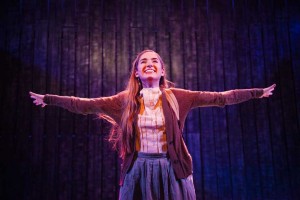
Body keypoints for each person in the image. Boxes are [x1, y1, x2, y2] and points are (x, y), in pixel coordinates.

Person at [30, 49, 276, 200]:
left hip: (173, 169)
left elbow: (221, 98)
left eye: (155, 61)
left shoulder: (179, 96)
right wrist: (49, 100)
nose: (149, 63)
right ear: (136, 72)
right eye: (144, 61)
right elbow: (83, 104)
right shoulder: (123, 101)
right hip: (139, 170)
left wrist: (257, 93)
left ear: (161, 71)